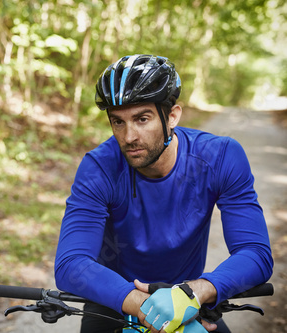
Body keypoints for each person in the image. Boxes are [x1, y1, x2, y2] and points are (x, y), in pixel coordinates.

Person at [54, 54, 273, 333]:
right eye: (117, 122)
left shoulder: (221, 157)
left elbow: (256, 253)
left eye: (142, 119)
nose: (129, 136)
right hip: (114, 296)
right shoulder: (99, 167)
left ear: (172, 116)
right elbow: (71, 264)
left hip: (187, 295)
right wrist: (143, 306)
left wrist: (199, 291)